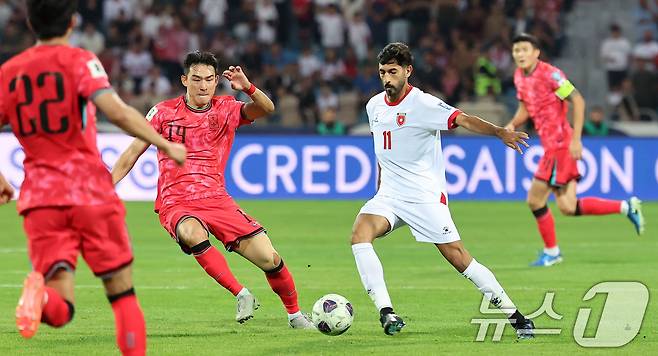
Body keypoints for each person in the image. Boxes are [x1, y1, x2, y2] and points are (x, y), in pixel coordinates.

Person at [0, 1, 187, 355]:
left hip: (41, 197)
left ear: (29, 23)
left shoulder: (9, 71)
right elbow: (115, 111)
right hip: (90, 190)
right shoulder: (80, 61)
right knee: (122, 295)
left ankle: (40, 299)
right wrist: (164, 143)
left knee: (61, 306)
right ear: (72, 23)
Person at [111, 51, 314, 329]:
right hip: (177, 201)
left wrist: (250, 88)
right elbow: (132, 152)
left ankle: (295, 315)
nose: (203, 85)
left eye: (209, 79)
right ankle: (240, 293)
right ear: (185, 80)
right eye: (196, 79)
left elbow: (267, 109)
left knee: (269, 258)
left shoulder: (227, 108)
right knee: (192, 233)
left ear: (217, 80)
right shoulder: (163, 112)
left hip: (218, 200)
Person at [351, 42, 535, 338]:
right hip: (389, 195)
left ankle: (515, 316)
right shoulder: (373, 106)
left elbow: (463, 119)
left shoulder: (423, 104)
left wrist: (500, 132)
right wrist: (379, 188)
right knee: (360, 235)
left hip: (423, 196)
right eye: (383, 72)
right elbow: (382, 153)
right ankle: (386, 312)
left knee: (459, 258)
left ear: (408, 71)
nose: (387, 78)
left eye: (393, 72)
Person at [504, 33, 644, 267]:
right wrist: (511, 124)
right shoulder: (519, 76)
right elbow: (525, 109)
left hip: (560, 144)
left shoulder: (551, 74)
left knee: (535, 200)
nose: (519, 54)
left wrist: (576, 139)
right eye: (516, 50)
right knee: (568, 206)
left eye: (524, 49)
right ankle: (626, 206)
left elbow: (577, 101)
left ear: (536, 52)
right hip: (551, 145)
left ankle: (552, 251)